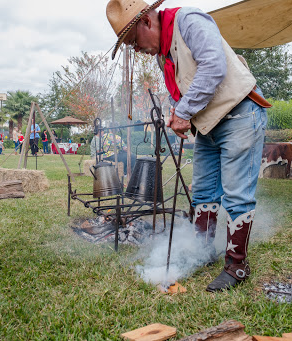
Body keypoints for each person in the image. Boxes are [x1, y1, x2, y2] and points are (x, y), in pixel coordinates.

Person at [106, 0, 271, 291]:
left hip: (240, 113)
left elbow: (214, 67)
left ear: (146, 21)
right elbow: (181, 91)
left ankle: (237, 266)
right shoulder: (163, 56)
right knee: (204, 192)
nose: (138, 50)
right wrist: (179, 113)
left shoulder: (190, 21)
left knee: (236, 195)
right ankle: (202, 252)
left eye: (134, 42)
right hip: (208, 124)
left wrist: (183, 113)